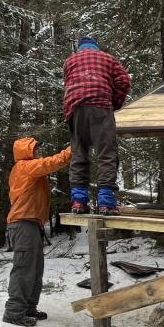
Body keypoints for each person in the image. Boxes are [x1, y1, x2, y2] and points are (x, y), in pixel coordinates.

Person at [3, 137, 72, 327]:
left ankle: (28, 308)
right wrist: (71, 150)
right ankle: (14, 312)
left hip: (30, 223)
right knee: (24, 269)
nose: (39, 152)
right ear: (27, 151)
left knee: (35, 269)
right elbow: (51, 163)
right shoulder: (25, 166)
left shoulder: (28, 168)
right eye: (36, 149)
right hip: (23, 223)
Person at [63, 36, 131, 216]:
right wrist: (115, 102)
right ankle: (106, 203)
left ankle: (78, 202)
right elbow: (124, 81)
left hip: (76, 110)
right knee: (106, 154)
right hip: (101, 107)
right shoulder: (108, 59)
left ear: (80, 49)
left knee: (79, 154)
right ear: (96, 48)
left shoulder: (69, 61)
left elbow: (68, 86)